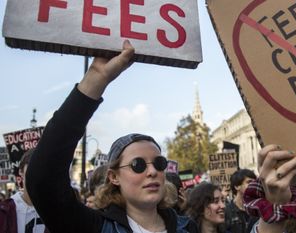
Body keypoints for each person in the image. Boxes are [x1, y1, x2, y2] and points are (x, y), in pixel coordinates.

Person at [26, 40, 198, 233]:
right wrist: (96, 78)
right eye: (138, 165)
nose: (152, 172)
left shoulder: (189, 228)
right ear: (114, 177)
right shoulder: (94, 227)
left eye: (159, 163)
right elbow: (43, 180)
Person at [0, 149, 49, 233]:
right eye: (32, 167)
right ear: (21, 171)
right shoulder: (4, 212)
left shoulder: (55, 211)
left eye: (42, 167)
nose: (37, 172)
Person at [225, 169, 258, 233]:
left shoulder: (258, 210)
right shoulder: (226, 212)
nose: (254, 185)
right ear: (237, 186)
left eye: (255, 182)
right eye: (249, 182)